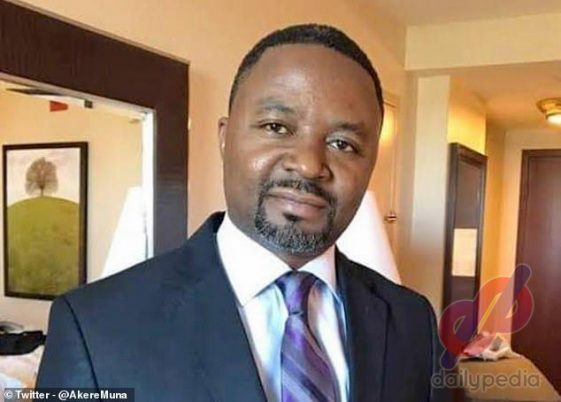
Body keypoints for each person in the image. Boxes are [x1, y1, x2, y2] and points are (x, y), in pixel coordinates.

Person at [37, 24, 450, 402]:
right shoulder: (95, 327)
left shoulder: (412, 321)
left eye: (343, 144)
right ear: (225, 138)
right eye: (276, 127)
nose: (309, 165)